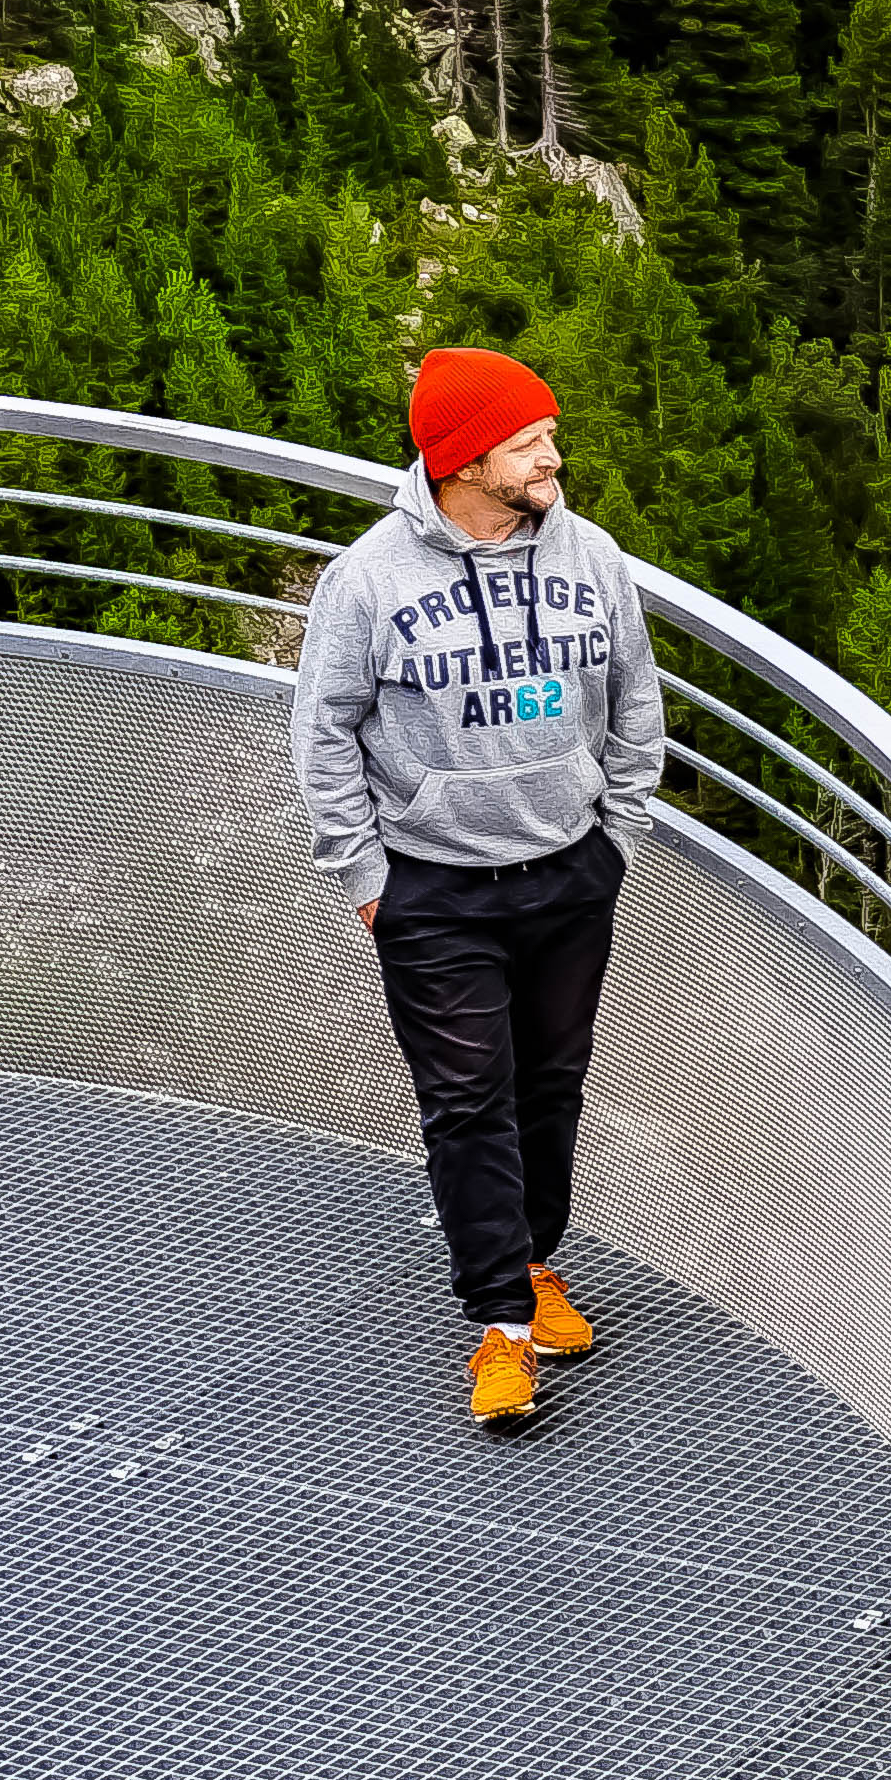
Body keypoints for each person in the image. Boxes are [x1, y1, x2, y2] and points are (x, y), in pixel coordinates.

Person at [292, 347, 669, 1428]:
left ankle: (535, 1260)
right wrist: (369, 878)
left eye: (548, 435)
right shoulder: (368, 579)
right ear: (463, 461)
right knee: (468, 1104)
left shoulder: (591, 556)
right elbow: (323, 734)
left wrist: (616, 837)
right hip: (435, 890)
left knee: (551, 1086)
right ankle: (501, 1324)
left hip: (570, 873)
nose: (553, 458)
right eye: (528, 443)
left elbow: (636, 702)